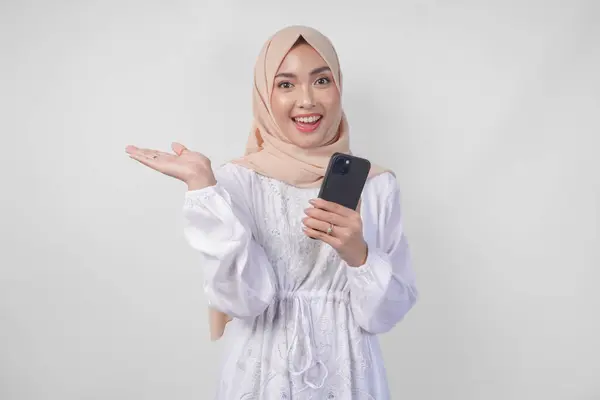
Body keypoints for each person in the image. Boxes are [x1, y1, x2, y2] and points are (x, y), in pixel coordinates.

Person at [126, 25, 418, 400]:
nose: (307, 100)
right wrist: (203, 188)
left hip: (349, 374)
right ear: (264, 95)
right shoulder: (237, 181)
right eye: (286, 84)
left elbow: (383, 316)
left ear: (338, 87)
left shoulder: (377, 185)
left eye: (322, 80)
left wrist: (359, 256)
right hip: (262, 374)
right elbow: (243, 301)